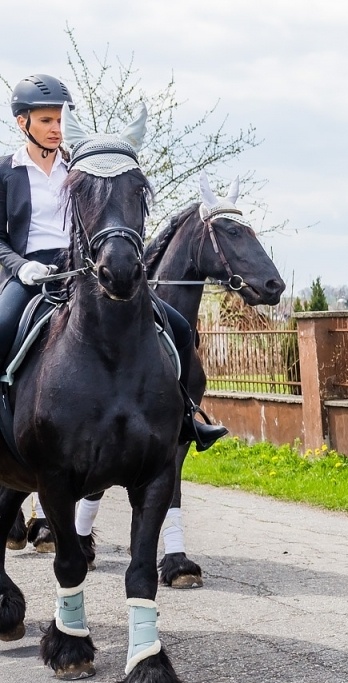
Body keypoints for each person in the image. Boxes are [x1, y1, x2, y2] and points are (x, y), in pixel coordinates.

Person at [0, 75, 224, 452]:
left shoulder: (86, 166)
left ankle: (186, 418)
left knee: (181, 330)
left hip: (88, 271)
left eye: (60, 120)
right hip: (30, 273)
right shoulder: (6, 171)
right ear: (23, 122)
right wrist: (21, 267)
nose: (56, 129)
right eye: (46, 121)